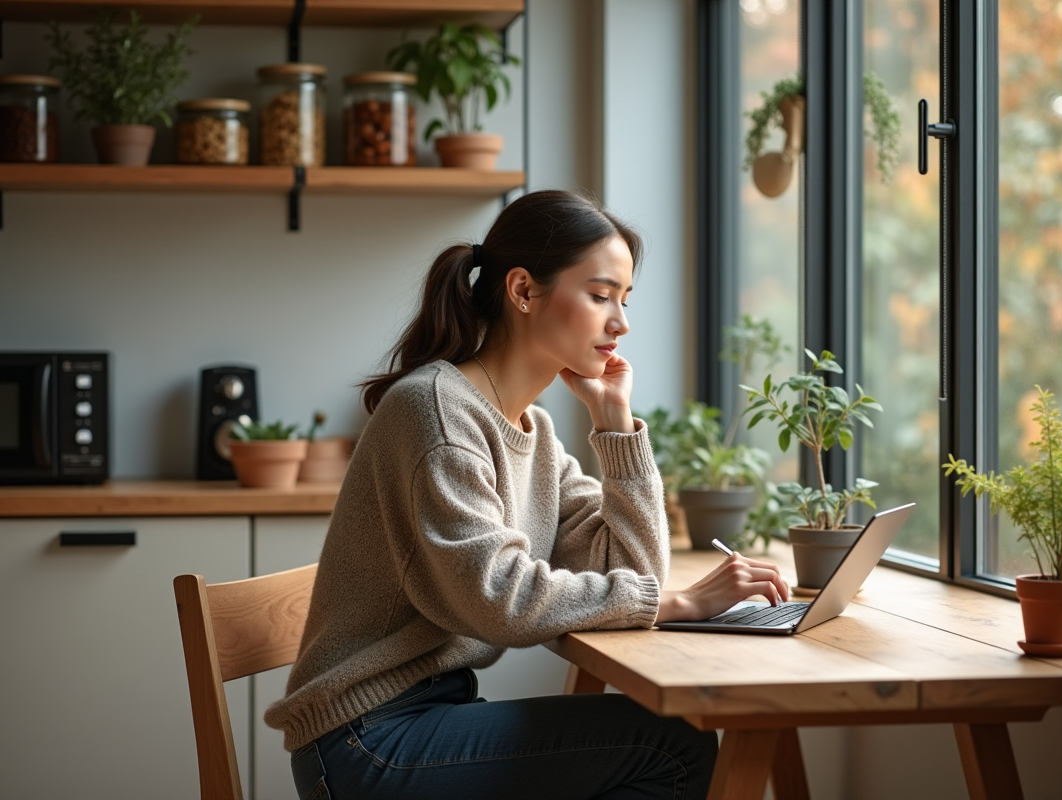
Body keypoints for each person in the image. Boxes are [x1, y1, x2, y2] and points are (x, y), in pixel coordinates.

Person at [266, 190, 790, 800]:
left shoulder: (531, 431)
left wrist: (615, 425)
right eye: (600, 296)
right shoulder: (436, 412)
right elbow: (503, 601)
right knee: (669, 746)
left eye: (623, 300)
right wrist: (679, 605)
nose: (620, 323)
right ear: (522, 291)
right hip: (365, 740)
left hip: (420, 720)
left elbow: (630, 570)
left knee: (670, 740)